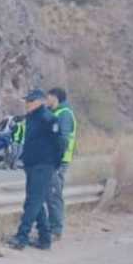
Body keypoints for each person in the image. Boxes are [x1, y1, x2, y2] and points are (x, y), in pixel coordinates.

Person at [7, 89, 65, 250]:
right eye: (27, 101)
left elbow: (60, 143)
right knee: (36, 202)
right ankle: (45, 239)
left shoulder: (48, 118)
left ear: (40, 101)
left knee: (32, 202)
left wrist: (56, 163)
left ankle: (22, 237)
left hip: (44, 165)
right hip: (32, 165)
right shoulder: (32, 118)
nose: (27, 104)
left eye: (30, 101)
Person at [46, 87, 76, 241]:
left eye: (48, 97)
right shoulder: (55, 112)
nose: (47, 99)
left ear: (55, 97)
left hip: (58, 161)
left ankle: (55, 230)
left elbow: (63, 139)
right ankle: (50, 228)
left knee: (53, 195)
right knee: (48, 195)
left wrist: (55, 160)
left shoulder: (64, 114)